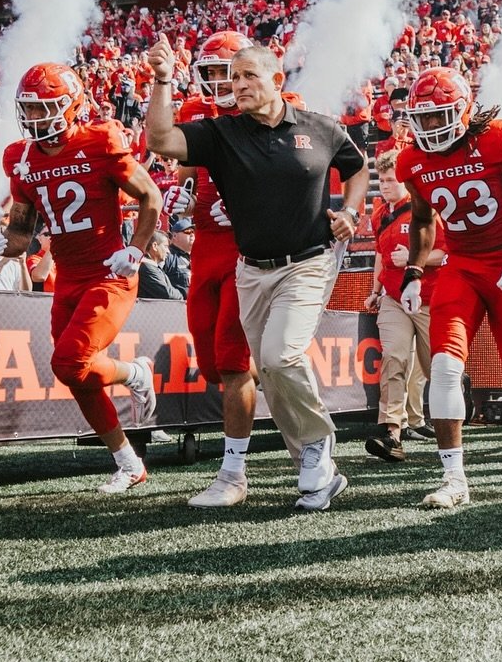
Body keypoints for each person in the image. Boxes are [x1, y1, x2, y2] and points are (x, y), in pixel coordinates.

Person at [145, 34, 368, 512]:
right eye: (232, 75)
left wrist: (350, 210)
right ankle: (314, 460)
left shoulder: (317, 125)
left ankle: (310, 448)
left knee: (279, 355)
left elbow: (356, 166)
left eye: (247, 75)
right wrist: (161, 81)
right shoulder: (223, 132)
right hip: (249, 267)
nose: (236, 83)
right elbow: (162, 141)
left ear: (277, 80)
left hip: (307, 261)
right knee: (265, 364)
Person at [395, 66, 502, 512]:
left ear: (461, 111)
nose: (429, 127)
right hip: (462, 268)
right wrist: (414, 271)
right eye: (422, 118)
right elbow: (421, 220)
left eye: (438, 117)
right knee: (446, 367)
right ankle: (454, 478)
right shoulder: (413, 162)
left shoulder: (496, 142)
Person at [0, 62, 163, 496]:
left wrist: (137, 248)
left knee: (68, 362)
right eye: (28, 110)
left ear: (70, 107)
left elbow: (150, 195)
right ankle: (128, 463)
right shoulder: (20, 156)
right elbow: (22, 224)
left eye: (44, 109)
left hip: (110, 272)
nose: (34, 119)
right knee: (76, 374)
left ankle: (134, 373)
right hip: (68, 276)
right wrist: (6, 243)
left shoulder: (99, 138)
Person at [171, 30, 258, 507]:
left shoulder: (273, 108)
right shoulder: (194, 113)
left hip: (248, 248)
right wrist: (179, 187)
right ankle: (278, 381)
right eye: (208, 72)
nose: (217, 80)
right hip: (205, 246)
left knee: (231, 363)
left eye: (224, 70)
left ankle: (234, 473)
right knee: (212, 367)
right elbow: (188, 165)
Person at [363, 148, 444, 463]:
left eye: (390, 179)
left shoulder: (427, 209)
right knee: (393, 360)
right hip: (394, 300)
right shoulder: (380, 214)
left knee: (434, 368)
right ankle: (392, 434)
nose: (384, 185)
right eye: (381, 179)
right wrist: (375, 289)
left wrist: (413, 260)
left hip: (428, 298)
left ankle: (450, 427)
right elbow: (381, 255)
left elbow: (446, 254)